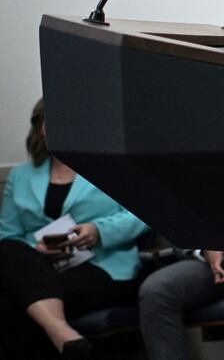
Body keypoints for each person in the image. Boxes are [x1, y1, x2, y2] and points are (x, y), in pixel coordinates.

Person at [0, 99, 148, 359]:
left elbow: (143, 214)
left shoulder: (111, 166)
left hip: (105, 266)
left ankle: (62, 335)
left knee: (14, 305)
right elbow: (8, 236)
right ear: (39, 129)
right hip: (40, 268)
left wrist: (97, 231)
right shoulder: (21, 176)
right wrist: (38, 250)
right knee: (9, 250)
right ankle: (64, 334)